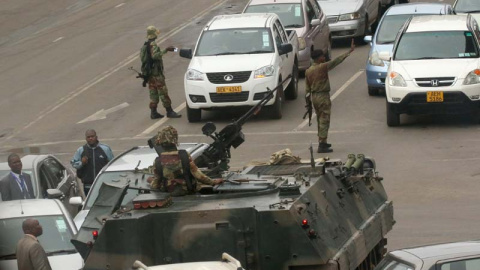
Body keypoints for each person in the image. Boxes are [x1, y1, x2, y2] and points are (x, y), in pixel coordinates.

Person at [305, 39, 355, 153]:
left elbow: (307, 89)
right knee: (324, 119)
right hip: (322, 97)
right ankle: (322, 144)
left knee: (319, 119)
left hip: (314, 98)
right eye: (322, 56)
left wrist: (308, 103)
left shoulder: (308, 71)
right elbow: (337, 61)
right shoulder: (322, 67)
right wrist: (349, 51)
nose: (324, 58)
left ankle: (322, 141)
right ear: (318, 58)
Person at [149, 126, 223, 196]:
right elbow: (197, 174)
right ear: (175, 140)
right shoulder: (184, 155)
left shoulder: (158, 161)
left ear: (160, 141)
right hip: (188, 191)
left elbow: (156, 183)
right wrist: (213, 182)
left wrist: (150, 181)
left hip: (170, 194)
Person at [140, 26, 182, 119]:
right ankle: (169, 111)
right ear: (154, 34)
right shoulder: (153, 45)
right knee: (163, 92)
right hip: (156, 74)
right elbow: (155, 56)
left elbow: (142, 59)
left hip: (149, 74)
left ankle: (153, 112)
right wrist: (166, 50)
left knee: (153, 93)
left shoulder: (145, 45)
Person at [71, 129, 114, 196]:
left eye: (92, 136)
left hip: (103, 183)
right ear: (86, 138)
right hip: (88, 185)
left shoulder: (105, 149)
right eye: (88, 137)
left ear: (96, 137)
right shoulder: (81, 150)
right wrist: (82, 163)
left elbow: (112, 164)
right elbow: (74, 163)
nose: (90, 138)